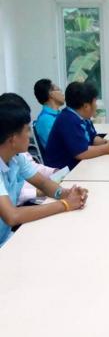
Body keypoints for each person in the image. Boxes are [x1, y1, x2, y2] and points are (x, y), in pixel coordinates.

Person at [0, 100, 88, 247]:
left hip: (7, 238)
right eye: (27, 130)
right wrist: (65, 204)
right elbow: (12, 216)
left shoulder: (16, 157)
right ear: (13, 139)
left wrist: (66, 193)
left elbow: (43, 183)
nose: (30, 135)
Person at [46, 82, 109, 170]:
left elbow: (93, 138)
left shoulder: (83, 116)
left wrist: (108, 143)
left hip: (80, 164)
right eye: (95, 102)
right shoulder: (67, 119)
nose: (96, 106)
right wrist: (107, 148)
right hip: (64, 171)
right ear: (86, 106)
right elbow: (81, 153)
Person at [33, 79, 65, 148]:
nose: (62, 93)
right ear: (50, 93)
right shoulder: (45, 120)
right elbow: (58, 146)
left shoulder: (59, 115)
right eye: (58, 89)